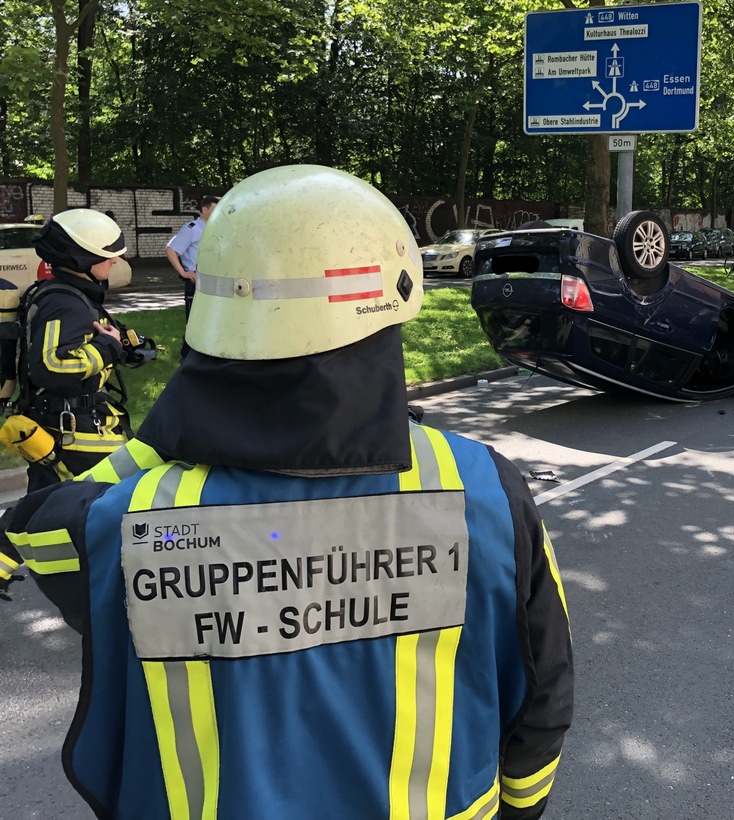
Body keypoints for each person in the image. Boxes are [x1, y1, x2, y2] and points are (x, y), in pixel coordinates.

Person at [0, 165, 573, 819]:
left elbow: (36, 527)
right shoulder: (484, 489)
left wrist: (160, 437)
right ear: (390, 306)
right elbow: (544, 690)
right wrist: (521, 808)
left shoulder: (130, 521)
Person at [13, 210, 139, 492]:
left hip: (73, 426)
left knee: (50, 507)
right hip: (76, 435)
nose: (113, 260)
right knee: (80, 510)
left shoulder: (73, 294)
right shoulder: (65, 303)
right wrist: (108, 347)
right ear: (83, 260)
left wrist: (122, 346)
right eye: (106, 255)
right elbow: (51, 366)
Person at [165, 195, 220, 354]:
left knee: (209, 320)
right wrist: (183, 272)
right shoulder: (192, 228)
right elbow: (171, 250)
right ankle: (187, 355)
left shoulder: (213, 228)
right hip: (195, 280)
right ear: (204, 209)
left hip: (211, 279)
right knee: (195, 322)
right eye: (214, 209)